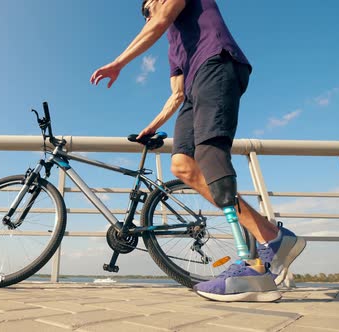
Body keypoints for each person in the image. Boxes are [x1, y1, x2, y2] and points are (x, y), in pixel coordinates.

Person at [90, 0, 306, 302]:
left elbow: (162, 18)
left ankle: (253, 266)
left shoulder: (170, 12)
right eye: (145, 12)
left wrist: (118, 63)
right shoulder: (173, 45)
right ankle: (273, 236)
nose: (149, 12)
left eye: (150, 6)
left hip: (216, 63)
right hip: (192, 89)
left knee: (208, 154)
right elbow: (176, 93)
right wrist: (151, 126)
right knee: (182, 165)